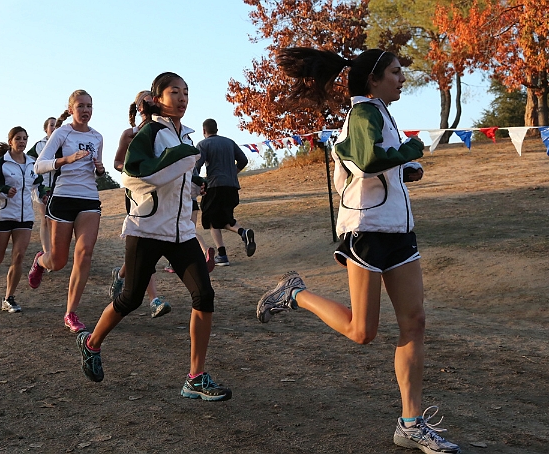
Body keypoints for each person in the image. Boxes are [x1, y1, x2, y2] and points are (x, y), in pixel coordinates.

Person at [256, 47, 460, 454]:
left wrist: (405, 169)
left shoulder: (380, 112)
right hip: (367, 230)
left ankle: (411, 422)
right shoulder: (364, 111)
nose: (402, 79)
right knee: (362, 331)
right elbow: (368, 161)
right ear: (374, 79)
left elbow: (374, 164)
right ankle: (295, 293)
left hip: (399, 230)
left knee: (414, 323)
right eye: (396, 72)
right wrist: (409, 152)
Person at [76, 72, 231, 402]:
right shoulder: (150, 132)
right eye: (175, 91)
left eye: (187, 92)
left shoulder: (185, 138)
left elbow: (175, 181)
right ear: (159, 98)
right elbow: (133, 173)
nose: (183, 97)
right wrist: (177, 162)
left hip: (180, 233)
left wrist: (192, 186)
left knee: (204, 296)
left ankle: (196, 377)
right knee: (130, 299)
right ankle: (91, 343)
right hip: (146, 230)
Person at [29, 90, 105, 333]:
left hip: (89, 198)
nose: (86, 110)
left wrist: (100, 169)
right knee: (58, 262)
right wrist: (66, 160)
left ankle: (71, 312)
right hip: (62, 197)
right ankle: (41, 261)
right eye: (81, 106)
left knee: (84, 253)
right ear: (71, 109)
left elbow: (97, 169)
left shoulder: (97, 137)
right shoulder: (62, 132)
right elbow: (39, 166)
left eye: (89, 106)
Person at [109, 90, 171, 318]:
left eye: (153, 98)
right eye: (146, 99)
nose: (151, 102)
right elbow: (117, 162)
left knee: (146, 249)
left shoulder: (165, 130)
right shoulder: (130, 134)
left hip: (162, 195)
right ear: (139, 106)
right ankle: (154, 299)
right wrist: (131, 170)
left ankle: (122, 274)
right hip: (137, 195)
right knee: (146, 245)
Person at [0, 127, 47, 314]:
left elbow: (38, 184)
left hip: (25, 217)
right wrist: (3, 190)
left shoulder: (32, 163)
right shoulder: (2, 163)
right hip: (3, 215)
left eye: (24, 138)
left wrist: (43, 195)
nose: (22, 141)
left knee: (19, 257)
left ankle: (9, 298)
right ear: (10, 141)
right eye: (18, 138)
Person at [195, 118, 254, 267]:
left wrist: (198, 181)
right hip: (232, 186)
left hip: (215, 186)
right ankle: (242, 232)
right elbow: (243, 160)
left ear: (204, 131)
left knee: (211, 220)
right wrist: (233, 173)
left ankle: (222, 255)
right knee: (225, 217)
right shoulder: (229, 142)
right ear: (217, 129)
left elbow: (197, 165)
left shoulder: (203, 144)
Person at [26, 117, 56, 255]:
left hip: (59, 186)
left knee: (55, 220)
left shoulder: (63, 143)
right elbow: (28, 161)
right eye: (51, 125)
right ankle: (47, 251)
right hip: (42, 186)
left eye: (56, 125)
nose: (54, 127)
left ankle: (55, 249)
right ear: (46, 129)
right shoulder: (39, 145)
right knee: (45, 219)